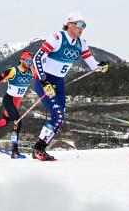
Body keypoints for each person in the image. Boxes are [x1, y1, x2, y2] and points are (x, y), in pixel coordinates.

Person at [32, 12, 110, 161]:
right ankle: (38, 149)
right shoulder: (57, 38)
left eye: (84, 25)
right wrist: (43, 81)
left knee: (60, 119)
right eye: (79, 24)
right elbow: (37, 58)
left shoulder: (81, 43)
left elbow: (93, 65)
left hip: (59, 83)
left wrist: (102, 66)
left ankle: (38, 148)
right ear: (69, 24)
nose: (82, 28)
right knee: (57, 115)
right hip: (45, 80)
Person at [0, 51, 37, 159]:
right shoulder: (13, 71)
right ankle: (14, 151)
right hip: (8, 100)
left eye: (31, 61)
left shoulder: (31, 71)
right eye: (27, 61)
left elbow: (41, 78)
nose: (29, 63)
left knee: (4, 122)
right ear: (21, 60)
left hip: (16, 103)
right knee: (18, 123)